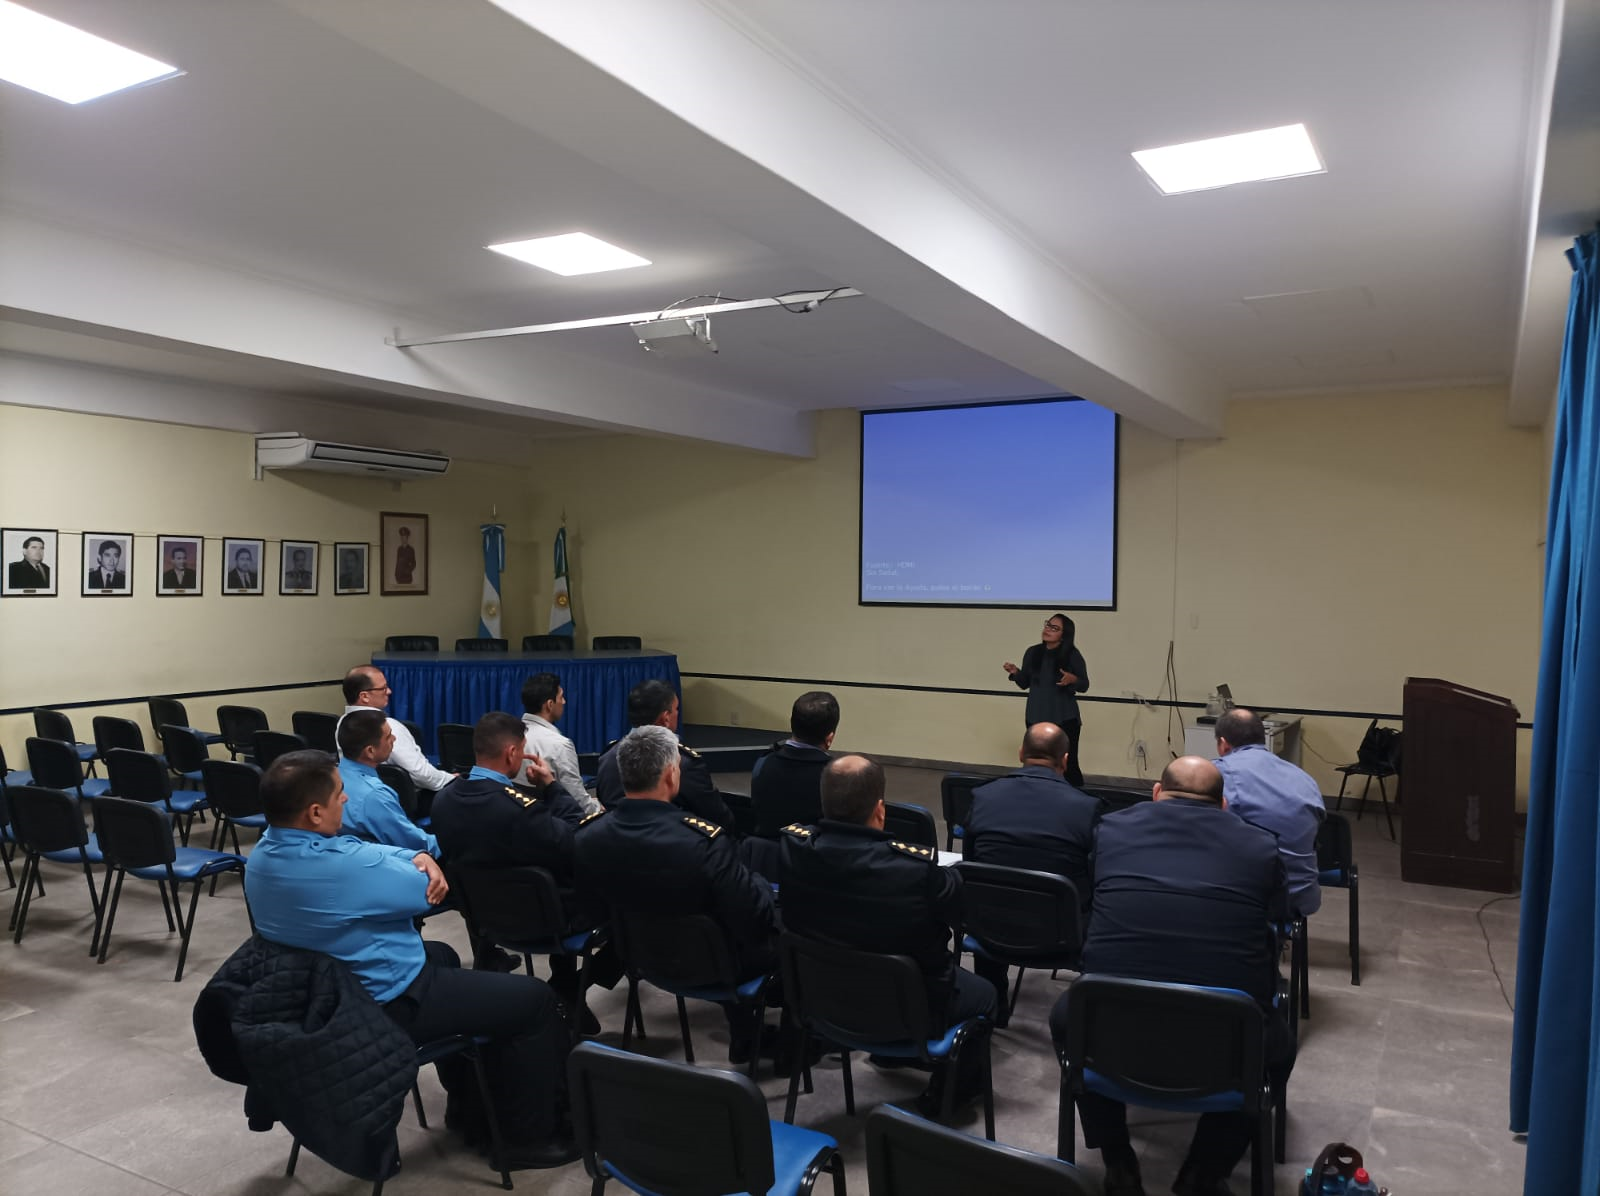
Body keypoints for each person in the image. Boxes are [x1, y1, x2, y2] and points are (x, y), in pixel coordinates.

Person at [243, 750, 578, 1169]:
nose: (345, 799)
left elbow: (359, 849)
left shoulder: (261, 857)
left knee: (444, 954)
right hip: (384, 1001)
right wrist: (421, 859)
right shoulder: (343, 869)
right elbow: (428, 890)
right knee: (535, 1001)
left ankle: (467, 1103)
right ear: (314, 812)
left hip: (320, 996)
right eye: (339, 794)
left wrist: (413, 856)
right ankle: (529, 1138)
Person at [1049, 757, 1290, 1196]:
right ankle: (1203, 1172)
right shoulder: (1261, 846)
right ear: (1223, 805)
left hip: (1110, 1028)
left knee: (1065, 1018)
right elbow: (1277, 917)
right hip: (1226, 1039)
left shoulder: (1111, 830)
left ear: (1157, 793)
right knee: (1280, 1048)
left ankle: (1118, 1159)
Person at [779, 754, 996, 1115]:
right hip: (912, 1008)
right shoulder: (913, 869)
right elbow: (959, 913)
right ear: (880, 811)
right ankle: (948, 1094)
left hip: (822, 1000)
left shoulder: (793, 848)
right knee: (985, 996)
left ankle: (890, 1051)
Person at [574, 725, 776, 1060]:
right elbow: (753, 917)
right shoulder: (704, 843)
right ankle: (775, 1040)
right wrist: (760, 885)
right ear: (671, 775)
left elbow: (593, 912)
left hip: (639, 958)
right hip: (718, 966)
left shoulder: (587, 839)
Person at [431, 712, 616, 1015]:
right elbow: (576, 838)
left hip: (487, 919)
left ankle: (565, 986)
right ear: (512, 753)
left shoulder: (443, 801)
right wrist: (552, 787)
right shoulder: (519, 810)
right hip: (543, 920)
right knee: (628, 908)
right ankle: (569, 988)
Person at [962, 722, 1099, 1023]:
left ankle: (993, 1008)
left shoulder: (983, 797)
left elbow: (970, 866)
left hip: (989, 930)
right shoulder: (1087, 809)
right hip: (1062, 938)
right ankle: (1081, 1021)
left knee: (989, 892)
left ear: (1021, 752)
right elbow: (1095, 879)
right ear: (1065, 760)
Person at [1213, 708, 1325, 917]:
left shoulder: (1219, 773)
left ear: (1223, 743)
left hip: (1249, 900)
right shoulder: (1304, 778)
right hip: (1301, 897)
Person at [592, 679, 732, 829]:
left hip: (611, 839)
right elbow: (718, 818)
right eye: (676, 709)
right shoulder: (682, 763)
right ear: (666, 718)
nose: (677, 713)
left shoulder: (608, 757)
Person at [338, 665, 459, 796]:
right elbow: (420, 774)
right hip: (399, 798)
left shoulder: (341, 724)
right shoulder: (388, 728)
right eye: (383, 688)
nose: (389, 691)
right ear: (364, 696)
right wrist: (450, 780)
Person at [336, 709, 438, 857]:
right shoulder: (375, 795)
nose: (394, 739)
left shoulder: (331, 776)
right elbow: (414, 843)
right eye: (388, 736)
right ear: (370, 751)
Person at [1004, 613, 1090, 786]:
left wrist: (1073, 679)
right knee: (1036, 763)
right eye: (1047, 625)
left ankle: (1075, 797)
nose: (1048, 630)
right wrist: (1016, 673)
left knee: (1068, 764)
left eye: (1054, 628)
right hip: (1036, 716)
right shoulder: (1032, 652)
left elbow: (1084, 685)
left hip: (1064, 718)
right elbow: (1024, 683)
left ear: (1064, 635)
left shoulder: (1072, 655)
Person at [749, 690, 838, 838]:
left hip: (763, 850)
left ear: (792, 724)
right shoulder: (837, 777)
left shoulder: (763, 763)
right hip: (810, 851)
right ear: (829, 738)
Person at [518, 672, 598, 815]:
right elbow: (577, 802)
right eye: (561, 697)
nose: (564, 702)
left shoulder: (508, 737)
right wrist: (598, 808)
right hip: (556, 821)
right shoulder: (560, 745)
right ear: (550, 705)